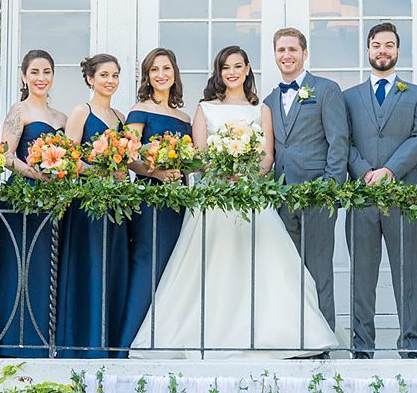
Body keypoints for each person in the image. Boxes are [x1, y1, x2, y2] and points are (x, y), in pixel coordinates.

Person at [129, 46, 338, 359]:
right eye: (225, 67)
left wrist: (246, 172)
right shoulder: (205, 109)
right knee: (212, 267)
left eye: (237, 66)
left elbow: (267, 157)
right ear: (219, 72)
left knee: (268, 264)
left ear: (248, 69)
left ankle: (282, 335)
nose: (232, 72)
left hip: (251, 197)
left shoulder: (261, 110)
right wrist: (222, 169)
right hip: (214, 199)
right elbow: (198, 157)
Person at [342, 23, 417, 358]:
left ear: (398, 51)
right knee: (361, 276)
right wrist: (365, 171)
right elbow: (343, 141)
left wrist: (390, 171)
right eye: (376, 45)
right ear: (368, 50)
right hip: (361, 197)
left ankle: (410, 347)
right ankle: (362, 347)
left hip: (403, 196)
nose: (383, 51)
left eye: (389, 45)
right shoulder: (349, 97)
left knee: (407, 274)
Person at [264, 28, 349, 331]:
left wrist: (329, 187)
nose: (286, 56)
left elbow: (339, 141)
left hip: (318, 195)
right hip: (281, 197)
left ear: (304, 53)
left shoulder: (325, 90)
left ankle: (322, 337)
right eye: (281, 50)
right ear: (275, 55)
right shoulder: (269, 100)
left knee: (319, 269)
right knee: (289, 270)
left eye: (292, 50)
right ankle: (295, 335)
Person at [118, 48, 192, 353]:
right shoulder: (140, 110)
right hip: (150, 198)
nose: (161, 74)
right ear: (147, 76)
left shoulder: (184, 117)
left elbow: (191, 161)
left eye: (166, 68)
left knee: (175, 267)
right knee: (148, 264)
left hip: (180, 201)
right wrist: (157, 172)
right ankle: (126, 344)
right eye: (154, 70)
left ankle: (161, 340)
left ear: (174, 73)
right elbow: (128, 155)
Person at [58, 54, 130, 358]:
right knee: (89, 268)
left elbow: (125, 162)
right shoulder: (81, 112)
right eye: (104, 75)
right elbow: (69, 159)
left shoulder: (120, 117)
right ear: (90, 78)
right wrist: (101, 170)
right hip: (87, 202)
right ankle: (83, 344)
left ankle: (109, 340)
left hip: (115, 203)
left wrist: (121, 172)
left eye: (114, 75)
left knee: (112, 268)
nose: (110, 81)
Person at [0, 49, 67, 358]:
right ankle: (17, 341)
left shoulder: (62, 118)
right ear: (24, 76)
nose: (41, 78)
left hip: (56, 198)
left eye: (47, 72)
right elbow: (6, 156)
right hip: (23, 196)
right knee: (23, 263)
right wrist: (35, 173)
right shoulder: (19, 111)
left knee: (50, 266)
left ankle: (48, 339)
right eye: (35, 72)